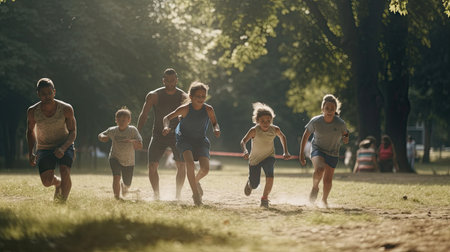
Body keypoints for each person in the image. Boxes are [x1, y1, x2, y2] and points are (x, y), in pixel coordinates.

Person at [162, 81, 220, 206]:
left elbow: (215, 122)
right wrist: (166, 127)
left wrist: (216, 129)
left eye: (203, 96)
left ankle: (195, 181)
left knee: (205, 169)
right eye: (198, 96)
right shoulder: (185, 108)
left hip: (200, 140)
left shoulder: (209, 109)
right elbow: (166, 118)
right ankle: (196, 196)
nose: (200, 99)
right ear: (191, 96)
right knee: (189, 164)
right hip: (184, 139)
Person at [137, 68, 188, 200]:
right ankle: (156, 195)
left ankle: (178, 195)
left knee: (181, 165)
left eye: (173, 81)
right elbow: (144, 115)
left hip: (178, 135)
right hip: (159, 135)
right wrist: (137, 133)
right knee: (152, 166)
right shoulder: (153, 95)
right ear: (163, 80)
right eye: (167, 81)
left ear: (176, 80)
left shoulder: (183, 96)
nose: (170, 83)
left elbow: (188, 116)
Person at [26, 78, 77, 202]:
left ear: (54, 92)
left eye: (49, 93)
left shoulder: (66, 108)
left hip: (64, 144)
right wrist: (31, 153)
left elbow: (73, 132)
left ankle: (61, 203)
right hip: (44, 147)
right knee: (47, 182)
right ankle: (58, 183)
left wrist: (63, 148)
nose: (47, 96)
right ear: (38, 94)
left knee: (65, 171)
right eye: (43, 94)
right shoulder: (32, 111)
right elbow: (30, 132)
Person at [299, 94, 349, 208]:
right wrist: (301, 154)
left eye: (332, 109)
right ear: (322, 109)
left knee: (327, 180)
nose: (329, 111)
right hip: (317, 149)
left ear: (335, 110)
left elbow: (346, 134)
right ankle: (315, 187)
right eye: (327, 108)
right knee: (320, 169)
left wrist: (346, 138)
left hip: (333, 152)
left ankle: (324, 200)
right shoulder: (316, 121)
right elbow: (305, 136)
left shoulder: (340, 123)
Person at [240, 102, 291, 208]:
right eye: (262, 121)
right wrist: (245, 151)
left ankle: (264, 198)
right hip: (255, 160)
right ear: (257, 121)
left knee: (270, 175)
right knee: (255, 184)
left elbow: (283, 137)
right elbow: (243, 141)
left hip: (269, 156)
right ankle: (250, 183)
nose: (266, 123)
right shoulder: (254, 130)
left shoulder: (275, 129)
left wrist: (285, 151)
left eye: (268, 120)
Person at [98, 107, 143, 200]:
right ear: (116, 120)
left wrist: (132, 141)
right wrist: (103, 137)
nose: (121, 122)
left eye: (124, 120)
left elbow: (140, 144)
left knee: (128, 183)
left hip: (129, 161)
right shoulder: (112, 130)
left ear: (129, 120)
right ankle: (117, 198)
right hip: (115, 157)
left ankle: (124, 186)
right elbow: (101, 135)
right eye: (119, 120)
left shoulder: (132, 130)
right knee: (116, 177)